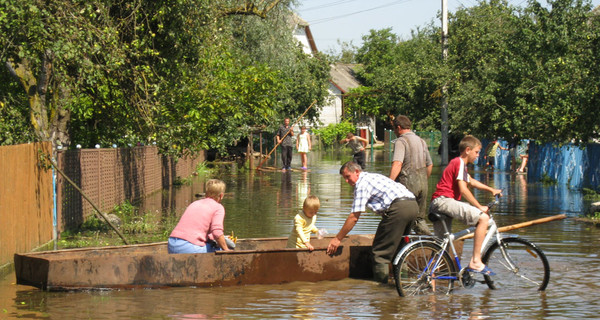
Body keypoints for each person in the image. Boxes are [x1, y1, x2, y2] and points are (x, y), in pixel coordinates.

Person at [327, 161, 419, 283]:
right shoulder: (372, 176)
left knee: (380, 253)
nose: (346, 181)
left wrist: (338, 239)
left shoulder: (361, 184)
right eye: (344, 178)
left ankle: (380, 292)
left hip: (399, 209)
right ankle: (405, 285)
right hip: (412, 205)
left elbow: (354, 217)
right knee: (399, 249)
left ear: (356, 172)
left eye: (348, 177)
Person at [429, 135, 502, 275]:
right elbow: (463, 189)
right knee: (483, 219)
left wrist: (491, 189)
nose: (478, 155)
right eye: (477, 152)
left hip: (437, 203)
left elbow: (471, 181)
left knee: (441, 246)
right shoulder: (460, 163)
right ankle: (475, 261)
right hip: (444, 201)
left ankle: (429, 281)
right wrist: (479, 206)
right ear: (468, 150)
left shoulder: (458, 164)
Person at [389, 115, 433, 235]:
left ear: (398, 127)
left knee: (400, 217)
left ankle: (398, 247)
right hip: (423, 185)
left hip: (407, 185)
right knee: (419, 219)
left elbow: (397, 164)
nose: (394, 132)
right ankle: (431, 245)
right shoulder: (421, 141)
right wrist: (424, 180)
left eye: (394, 129)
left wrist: (389, 185)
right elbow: (430, 165)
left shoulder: (401, 141)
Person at [168, 179, 232, 253]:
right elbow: (217, 232)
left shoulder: (194, 203)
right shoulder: (218, 207)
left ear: (206, 193)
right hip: (188, 247)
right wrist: (227, 250)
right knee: (220, 249)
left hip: (172, 244)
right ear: (221, 195)